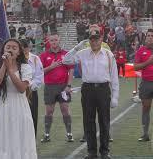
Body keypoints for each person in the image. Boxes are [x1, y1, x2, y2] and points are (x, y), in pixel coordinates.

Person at [63, 26, 119, 159]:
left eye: (96, 39)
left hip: (103, 89)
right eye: (91, 40)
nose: (94, 42)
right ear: (89, 41)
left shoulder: (108, 54)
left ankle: (104, 151)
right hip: (87, 90)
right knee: (88, 121)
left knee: (104, 121)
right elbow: (66, 60)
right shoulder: (82, 53)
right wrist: (77, 47)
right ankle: (92, 152)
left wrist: (115, 96)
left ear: (101, 39)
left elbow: (114, 77)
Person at [0, 39, 37, 159]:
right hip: (3, 108)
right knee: (3, 136)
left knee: (20, 135)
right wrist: (5, 66)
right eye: (8, 47)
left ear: (19, 52)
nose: (10, 49)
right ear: (3, 50)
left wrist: (10, 70)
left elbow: (21, 88)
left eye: (14, 48)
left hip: (20, 107)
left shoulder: (25, 68)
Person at [39, 34, 75, 143]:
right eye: (51, 40)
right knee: (49, 111)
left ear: (59, 40)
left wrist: (69, 85)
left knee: (65, 110)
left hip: (63, 87)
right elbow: (39, 71)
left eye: (55, 40)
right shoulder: (44, 55)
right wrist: (51, 67)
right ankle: (47, 134)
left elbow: (71, 70)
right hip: (49, 87)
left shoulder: (66, 54)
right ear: (48, 41)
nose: (54, 42)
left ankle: (69, 134)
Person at [20, 39, 44, 136]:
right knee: (19, 117)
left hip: (31, 93)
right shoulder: (15, 60)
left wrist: (28, 86)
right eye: (21, 49)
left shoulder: (35, 59)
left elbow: (39, 77)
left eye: (26, 48)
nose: (24, 51)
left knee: (32, 117)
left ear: (29, 48)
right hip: (17, 93)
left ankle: (32, 140)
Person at [134, 29, 153, 142]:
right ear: (145, 38)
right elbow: (135, 67)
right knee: (146, 108)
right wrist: (148, 62)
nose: (150, 37)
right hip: (146, 83)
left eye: (152, 36)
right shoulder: (141, 51)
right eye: (149, 36)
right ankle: (145, 134)